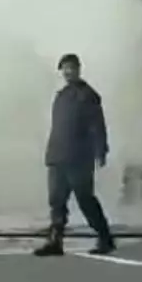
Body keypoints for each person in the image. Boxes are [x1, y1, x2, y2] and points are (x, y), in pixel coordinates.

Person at [34, 53, 116, 257]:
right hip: (58, 156)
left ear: (79, 69)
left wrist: (101, 150)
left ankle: (105, 237)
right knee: (56, 200)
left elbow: (97, 126)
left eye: (71, 67)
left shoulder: (88, 95)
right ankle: (55, 241)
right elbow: (57, 127)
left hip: (79, 157)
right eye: (64, 68)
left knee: (85, 199)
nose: (68, 71)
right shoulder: (61, 96)